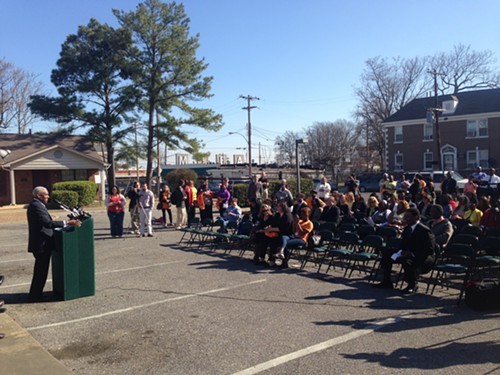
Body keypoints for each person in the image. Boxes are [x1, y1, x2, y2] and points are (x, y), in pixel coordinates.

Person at [27, 186, 81, 302]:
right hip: (41, 244)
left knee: (41, 271)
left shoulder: (38, 205)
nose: (48, 197)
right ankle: (35, 295)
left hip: (43, 243)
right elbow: (47, 223)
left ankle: (36, 293)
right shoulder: (36, 206)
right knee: (40, 272)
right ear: (39, 196)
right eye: (46, 195)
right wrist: (66, 223)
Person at [376, 208, 436, 293]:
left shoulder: (424, 230)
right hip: (407, 253)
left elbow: (429, 250)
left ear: (416, 217)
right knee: (387, 254)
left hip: (422, 256)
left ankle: (412, 285)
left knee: (408, 261)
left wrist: (412, 254)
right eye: (405, 216)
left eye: (408, 217)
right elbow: (403, 243)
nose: (405, 218)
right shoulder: (407, 229)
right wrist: (400, 252)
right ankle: (387, 281)